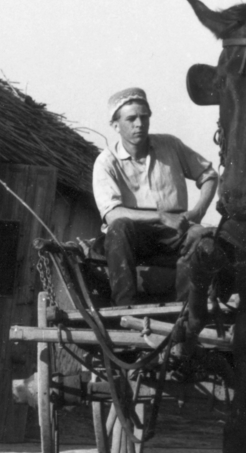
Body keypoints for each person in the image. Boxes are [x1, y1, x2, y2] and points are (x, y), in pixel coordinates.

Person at [92, 87, 217, 308]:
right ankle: (124, 309)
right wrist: (161, 216)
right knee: (119, 227)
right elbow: (112, 214)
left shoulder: (170, 145)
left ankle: (184, 312)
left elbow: (208, 175)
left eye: (144, 117)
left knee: (204, 235)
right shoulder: (106, 161)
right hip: (135, 237)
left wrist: (198, 211)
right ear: (115, 126)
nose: (139, 124)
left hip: (176, 232)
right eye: (131, 119)